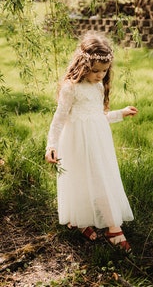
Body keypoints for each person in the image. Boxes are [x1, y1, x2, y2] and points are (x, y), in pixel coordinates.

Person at [45, 31, 138, 253]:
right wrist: (52, 145)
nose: (99, 75)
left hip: (98, 141)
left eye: (104, 71)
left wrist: (120, 113)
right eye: (95, 70)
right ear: (83, 64)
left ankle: (107, 224)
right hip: (77, 141)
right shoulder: (71, 87)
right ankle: (89, 221)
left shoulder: (98, 86)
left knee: (101, 177)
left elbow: (98, 116)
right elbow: (59, 119)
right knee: (81, 179)